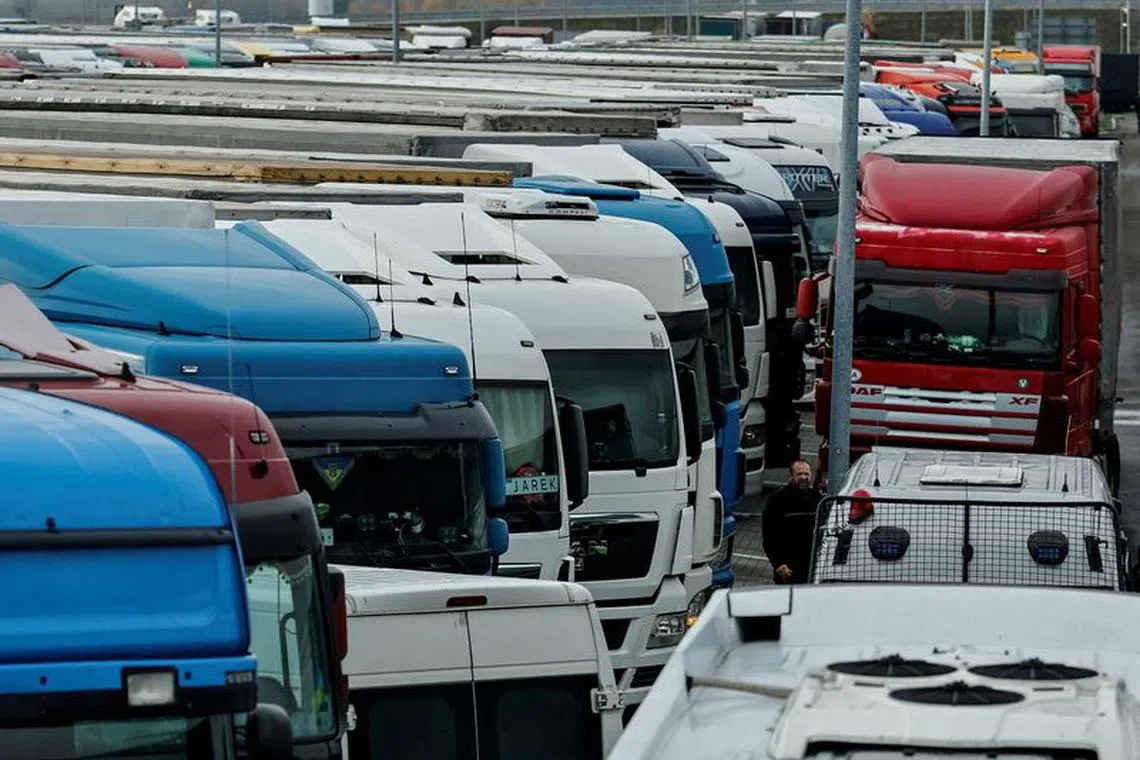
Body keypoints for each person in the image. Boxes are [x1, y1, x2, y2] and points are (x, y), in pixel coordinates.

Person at [762, 460, 824, 584]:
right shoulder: (777, 500)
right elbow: (768, 536)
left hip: (812, 567)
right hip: (788, 569)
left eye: (806, 474)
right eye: (799, 474)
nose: (803, 477)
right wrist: (778, 564)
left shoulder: (818, 500)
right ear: (791, 476)